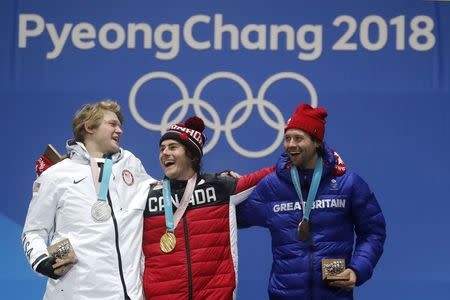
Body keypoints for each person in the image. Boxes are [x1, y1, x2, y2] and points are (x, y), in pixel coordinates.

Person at [236, 103, 386, 299]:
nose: (290, 144)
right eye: (287, 138)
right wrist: (225, 189)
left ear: (317, 142)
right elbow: (232, 217)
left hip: (334, 295)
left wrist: (357, 269)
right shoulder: (272, 186)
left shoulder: (347, 184)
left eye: (298, 138)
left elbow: (373, 232)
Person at [22, 100, 155, 300]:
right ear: (90, 127)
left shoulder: (130, 163)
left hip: (130, 294)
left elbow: (161, 192)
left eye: (120, 125)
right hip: (78, 294)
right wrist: (41, 259)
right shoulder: (57, 175)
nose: (120, 131)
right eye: (112, 124)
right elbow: (33, 231)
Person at [141, 116, 274, 299]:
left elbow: (266, 176)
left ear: (191, 155)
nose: (164, 153)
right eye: (162, 148)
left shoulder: (219, 187)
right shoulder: (145, 196)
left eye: (173, 147)